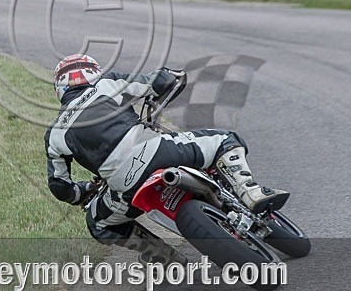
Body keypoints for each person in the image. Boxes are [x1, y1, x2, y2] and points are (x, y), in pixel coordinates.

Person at [44, 54, 290, 264]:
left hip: (124, 187)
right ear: (94, 72)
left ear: (60, 89)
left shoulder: (55, 133)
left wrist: (82, 191)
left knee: (98, 224)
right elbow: (161, 80)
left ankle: (162, 256)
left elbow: (60, 187)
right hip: (159, 151)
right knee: (225, 139)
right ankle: (251, 192)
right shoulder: (108, 84)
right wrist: (170, 80)